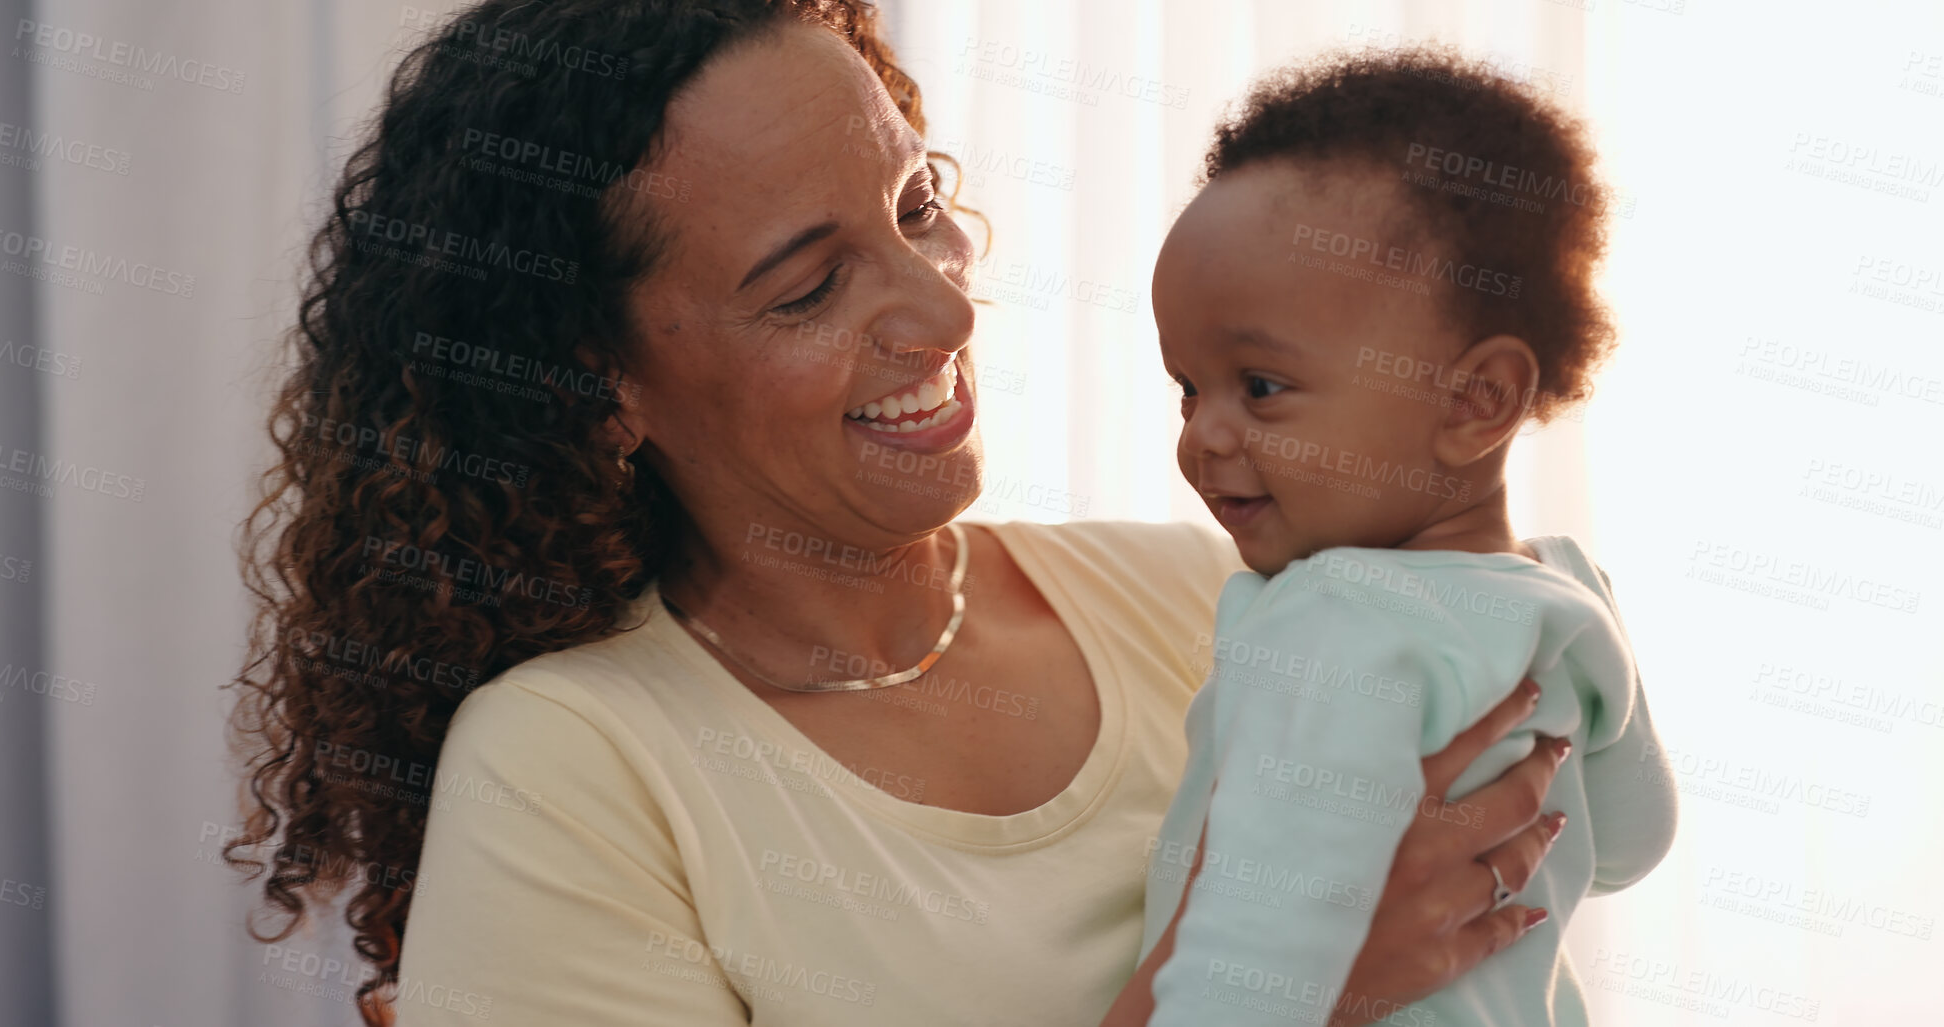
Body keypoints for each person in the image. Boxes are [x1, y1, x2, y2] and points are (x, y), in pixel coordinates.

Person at [225, 3, 1622, 1024]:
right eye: (807, 285)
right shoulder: (575, 766)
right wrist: (1305, 979)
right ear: (599, 383)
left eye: (915, 206)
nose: (945, 304)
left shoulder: (1212, 598)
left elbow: (1580, 855)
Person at [1132, 50, 1678, 1026]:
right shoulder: (1564, 588)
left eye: (1259, 386)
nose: (1202, 434)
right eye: (1187, 386)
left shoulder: (1335, 615)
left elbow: (1242, 962)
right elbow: (1634, 841)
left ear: (1476, 399)